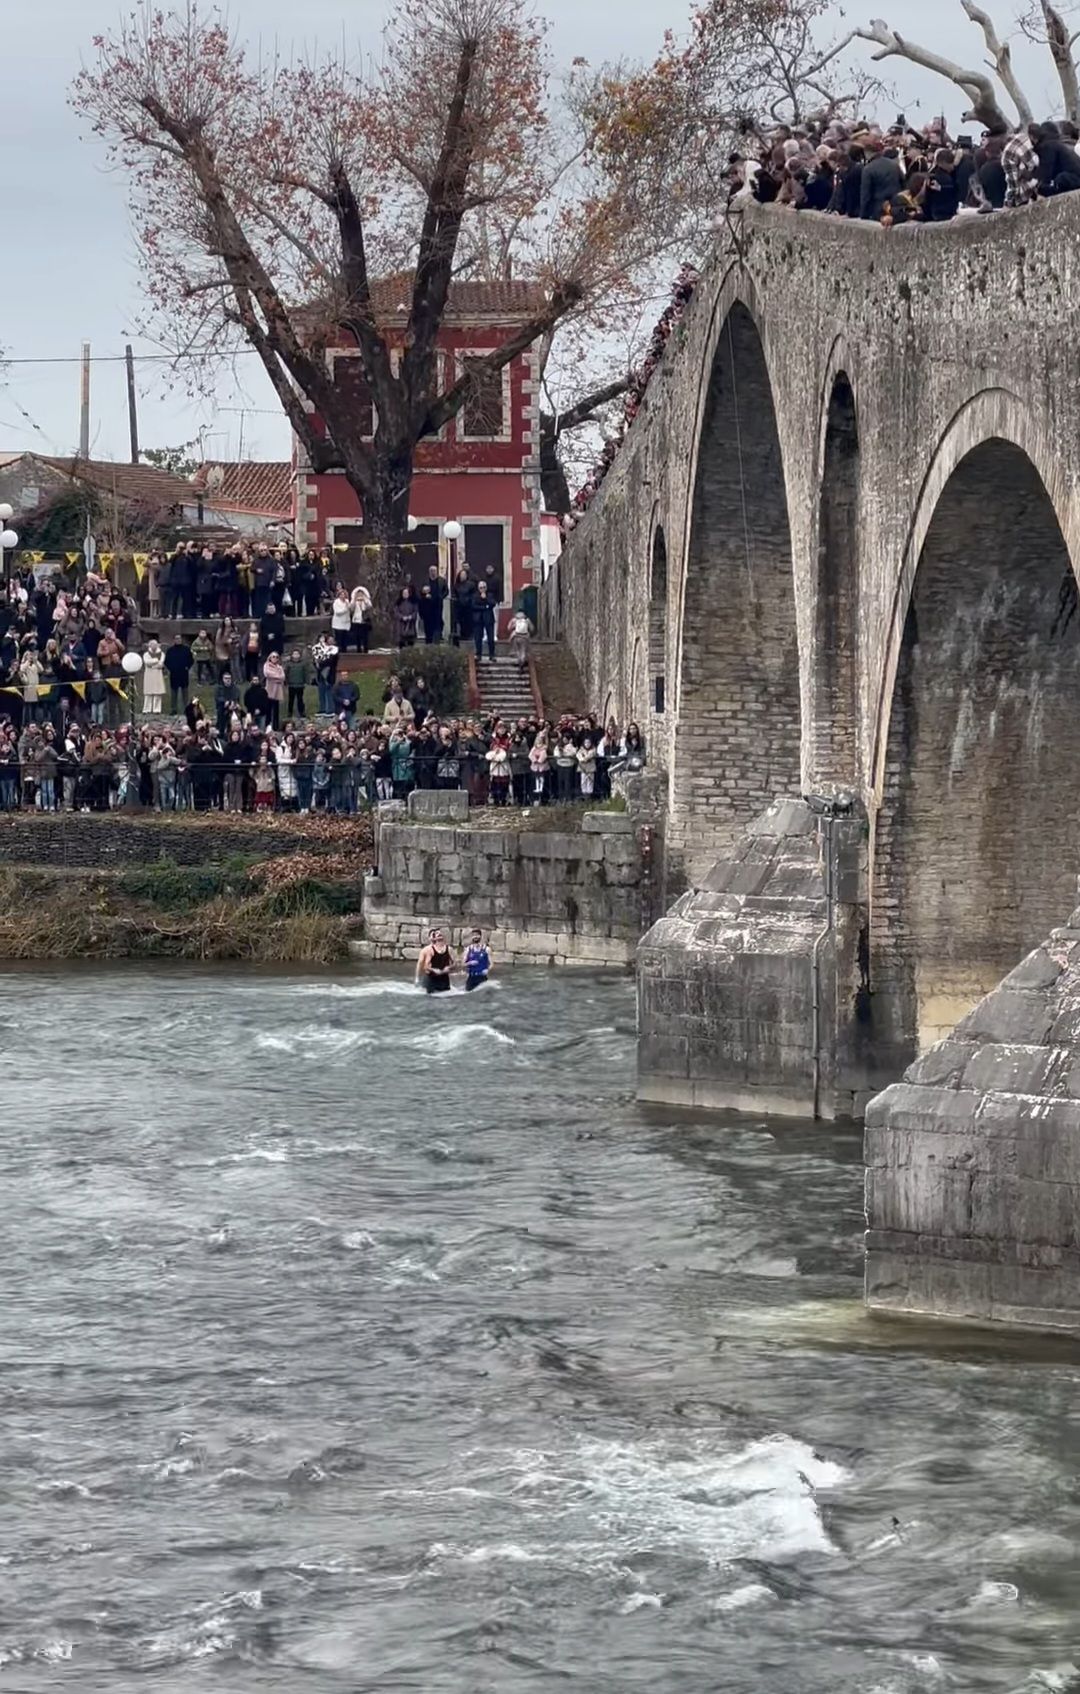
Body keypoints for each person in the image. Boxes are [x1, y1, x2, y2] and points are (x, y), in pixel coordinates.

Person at [416, 928, 454, 993]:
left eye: (440, 933)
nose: (439, 934)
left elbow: (455, 964)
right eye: (435, 934)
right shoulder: (427, 950)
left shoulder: (449, 949)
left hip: (444, 979)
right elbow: (421, 964)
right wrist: (417, 978)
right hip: (431, 978)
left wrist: (449, 968)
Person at [163, 635, 193, 714]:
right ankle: (174, 709)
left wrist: (187, 667)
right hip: (174, 674)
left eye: (179, 638)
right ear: (174, 640)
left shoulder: (186, 649)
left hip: (184, 673)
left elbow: (191, 660)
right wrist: (171, 668)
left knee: (185, 692)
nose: (178, 640)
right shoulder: (170, 650)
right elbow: (166, 661)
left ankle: (186, 709)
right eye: (176, 639)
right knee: (174, 692)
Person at [473, 580, 496, 662]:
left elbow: (492, 604)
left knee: (491, 638)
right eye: (481, 587)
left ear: (486, 588)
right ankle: (478, 655)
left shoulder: (490, 595)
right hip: (478, 619)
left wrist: (485, 598)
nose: (482, 589)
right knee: (478, 638)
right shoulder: (475, 596)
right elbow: (473, 606)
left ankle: (492, 655)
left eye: (484, 587)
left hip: (488, 618)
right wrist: (485, 607)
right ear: (478, 588)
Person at [142, 639, 166, 715]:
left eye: (155, 645)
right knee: (148, 693)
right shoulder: (146, 654)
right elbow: (147, 662)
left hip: (158, 674)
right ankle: (147, 709)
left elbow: (161, 663)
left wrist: (153, 665)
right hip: (148, 675)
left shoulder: (161, 654)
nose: (154, 646)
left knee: (157, 693)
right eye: (152, 645)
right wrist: (156, 660)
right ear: (150, 645)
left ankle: (157, 710)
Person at [509, 607, 532, 672]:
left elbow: (509, 628)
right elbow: (532, 628)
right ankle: (522, 664)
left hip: (516, 637)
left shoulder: (514, 619)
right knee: (523, 651)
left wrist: (514, 627)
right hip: (524, 637)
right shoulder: (527, 620)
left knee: (518, 651)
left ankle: (520, 663)